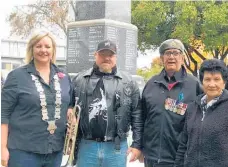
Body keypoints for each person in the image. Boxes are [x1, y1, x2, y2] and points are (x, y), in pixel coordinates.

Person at [1, 32, 73, 167]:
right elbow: (3, 115)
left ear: (53, 50)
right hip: (23, 152)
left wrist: (70, 112)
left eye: (47, 46)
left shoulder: (64, 77)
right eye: (38, 46)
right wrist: (2, 148)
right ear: (32, 49)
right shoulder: (16, 76)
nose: (43, 50)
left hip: (55, 151)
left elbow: (70, 103)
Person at [71, 39, 143, 167]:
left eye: (110, 55)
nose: (106, 58)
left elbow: (137, 114)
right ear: (95, 55)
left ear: (115, 57)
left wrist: (137, 144)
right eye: (102, 54)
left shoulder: (129, 82)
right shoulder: (79, 80)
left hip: (116, 147)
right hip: (87, 146)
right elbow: (69, 107)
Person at [141, 39, 202, 167]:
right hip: (151, 157)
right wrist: (140, 146)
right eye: (167, 53)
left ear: (182, 57)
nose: (171, 57)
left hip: (179, 158)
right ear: (162, 58)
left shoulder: (194, 85)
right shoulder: (151, 83)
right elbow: (142, 118)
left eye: (176, 53)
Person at [175, 59, 228, 167]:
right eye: (207, 79)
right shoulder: (192, 107)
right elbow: (183, 144)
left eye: (216, 79)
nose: (212, 84)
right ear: (202, 82)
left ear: (224, 82)